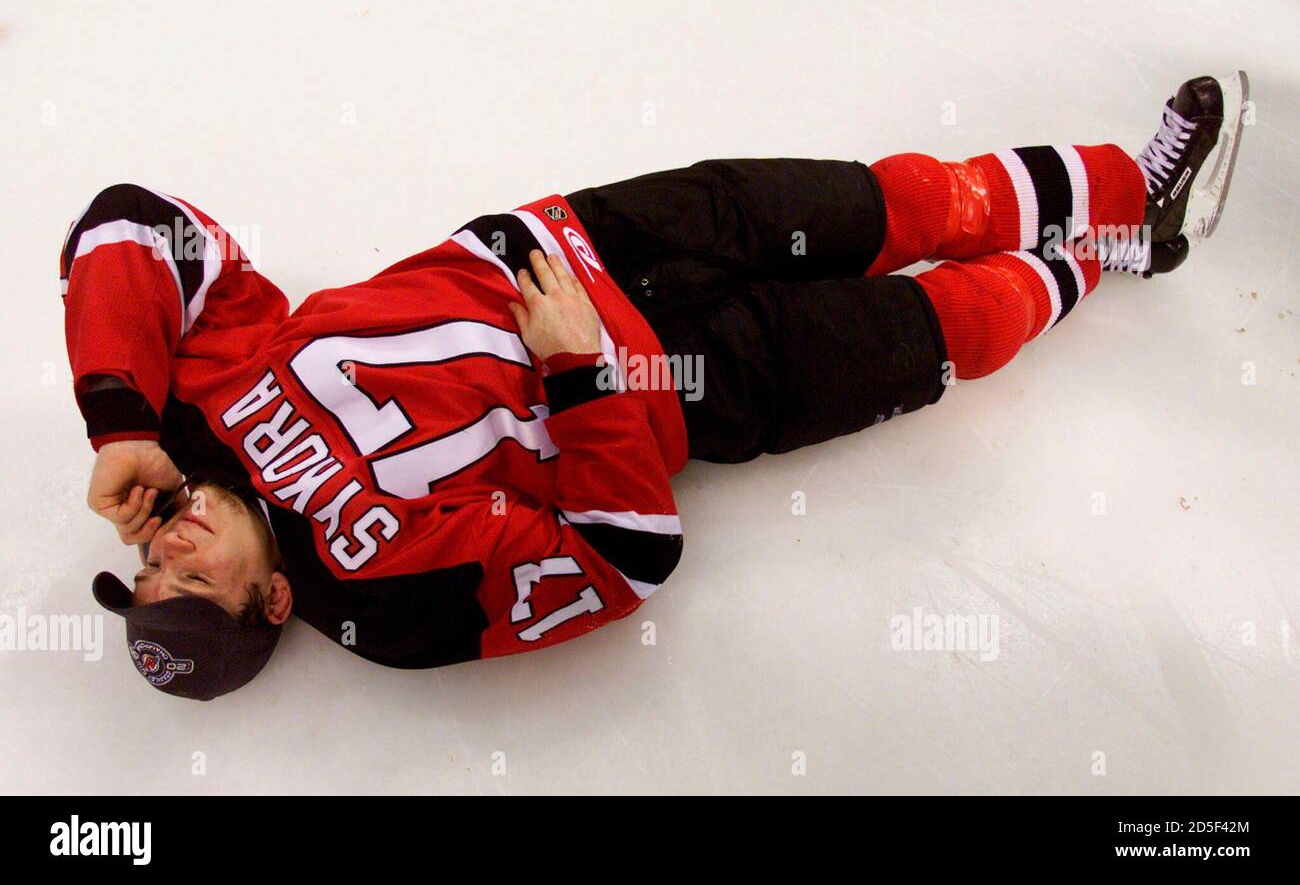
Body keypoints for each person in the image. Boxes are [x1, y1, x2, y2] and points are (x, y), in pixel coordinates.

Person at [63, 72, 1248, 700]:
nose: (169, 551)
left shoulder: (184, 418)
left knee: (891, 201)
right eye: (190, 586)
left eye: (153, 570)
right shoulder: (375, 602)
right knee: (943, 325)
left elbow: (134, 224)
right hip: (695, 383)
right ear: (270, 606)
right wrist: (579, 369)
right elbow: (620, 560)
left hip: (593, 234)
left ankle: (1111, 184)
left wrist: (117, 415)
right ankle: (1113, 245)